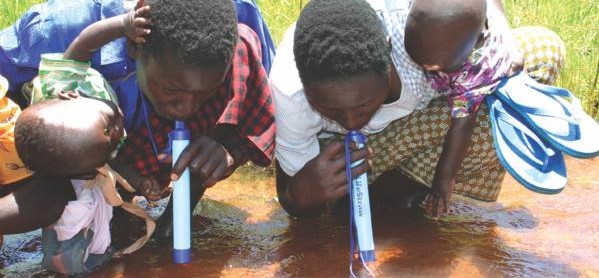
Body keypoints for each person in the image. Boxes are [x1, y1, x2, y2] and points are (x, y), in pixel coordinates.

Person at [270, 0, 564, 219]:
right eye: (328, 109)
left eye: (363, 106)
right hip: (344, 158)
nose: (350, 122)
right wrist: (303, 194)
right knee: (324, 210)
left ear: (389, 55)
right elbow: (290, 196)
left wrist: (501, 32)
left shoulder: (418, 30)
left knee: (541, 50)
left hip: (419, 125)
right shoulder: (289, 89)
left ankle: (398, 196)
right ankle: (361, 203)